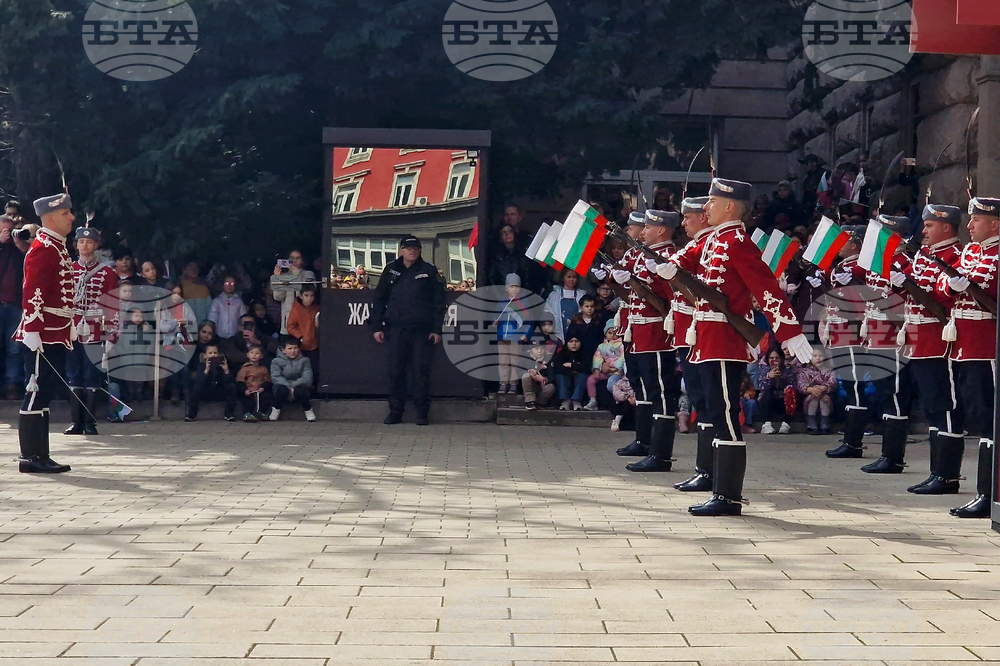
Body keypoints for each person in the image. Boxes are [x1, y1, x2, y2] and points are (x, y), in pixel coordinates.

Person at [653, 178, 811, 516]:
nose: (705, 207)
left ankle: (727, 496)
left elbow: (766, 286)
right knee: (713, 408)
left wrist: (789, 331)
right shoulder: (713, 239)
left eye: (710, 202)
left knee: (726, 414)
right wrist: (671, 265)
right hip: (705, 338)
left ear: (728, 206)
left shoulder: (738, 242)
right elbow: (687, 254)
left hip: (725, 340)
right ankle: (718, 487)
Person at [891, 206, 964, 496]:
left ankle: (947, 475)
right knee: (933, 408)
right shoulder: (924, 255)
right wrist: (899, 282)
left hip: (938, 340)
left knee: (946, 407)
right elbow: (910, 286)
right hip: (918, 340)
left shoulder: (954, 256)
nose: (924, 230)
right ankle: (937, 471)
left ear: (946, 228)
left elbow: (943, 296)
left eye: (930, 225)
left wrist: (909, 283)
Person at [936, 197, 999, 518]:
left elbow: (989, 294)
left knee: (989, 420)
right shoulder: (971, 252)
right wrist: (955, 284)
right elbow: (943, 289)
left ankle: (989, 494)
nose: (970, 225)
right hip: (962, 343)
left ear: (995, 224)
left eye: (976, 220)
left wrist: (967, 286)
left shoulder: (997, 254)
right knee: (976, 416)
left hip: (985, 346)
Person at [613, 209, 681, 473]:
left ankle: (660, 453)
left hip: (656, 332)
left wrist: (664, 276)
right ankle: (646, 442)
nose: (643, 232)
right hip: (639, 331)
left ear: (661, 230)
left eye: (648, 227)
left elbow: (673, 296)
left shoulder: (666, 256)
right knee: (644, 386)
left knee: (660, 392)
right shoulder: (647, 255)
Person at [13, 193, 77, 474]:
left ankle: (42, 453)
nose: (72, 218)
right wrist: (34, 330)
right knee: (35, 389)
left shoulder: (57, 246)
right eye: (66, 214)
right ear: (51, 218)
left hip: (55, 331)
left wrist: (69, 323)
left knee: (47, 390)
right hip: (42, 332)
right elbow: (33, 293)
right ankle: (30, 457)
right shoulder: (43, 248)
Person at [858, 214, 915, 475]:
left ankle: (893, 457)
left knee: (894, 394)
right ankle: (887, 454)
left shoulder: (904, 263)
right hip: (877, 334)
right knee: (884, 393)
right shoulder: (880, 262)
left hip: (893, 336)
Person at [371, 236, 446, 425]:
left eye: (415, 248)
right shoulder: (391, 269)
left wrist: (437, 329)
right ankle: (395, 412)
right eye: (408, 248)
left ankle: (422, 413)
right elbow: (379, 299)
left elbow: (439, 303)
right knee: (395, 371)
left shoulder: (429, 271)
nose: (412, 251)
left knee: (420, 371)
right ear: (401, 250)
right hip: (396, 329)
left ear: (420, 251)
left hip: (421, 330)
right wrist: (376, 326)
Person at [668, 197, 716, 491]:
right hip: (693, 332)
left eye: (688, 217)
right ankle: (705, 469)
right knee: (701, 400)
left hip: (705, 333)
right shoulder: (699, 245)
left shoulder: (713, 245)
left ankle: (710, 472)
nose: (683, 223)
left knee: (709, 402)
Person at [65, 225, 117, 436]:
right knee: (73, 374)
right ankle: (76, 422)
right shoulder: (68, 269)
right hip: (72, 328)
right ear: (76, 245)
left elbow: (113, 303)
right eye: (81, 242)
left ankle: (90, 422)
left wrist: (112, 333)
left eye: (89, 242)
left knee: (92, 375)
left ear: (96, 245)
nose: (84, 245)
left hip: (96, 328)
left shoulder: (106, 272)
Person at [0, 214, 29, 399]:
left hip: (17, 303)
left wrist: (20, 245)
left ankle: (12, 383)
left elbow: (32, 263)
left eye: (11, 230)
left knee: (14, 348)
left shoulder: (20, 249)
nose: (8, 234)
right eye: (4, 230)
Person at [494, 274, 533, 395]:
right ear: (507, 288)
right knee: (503, 361)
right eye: (511, 287)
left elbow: (529, 321)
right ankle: (503, 382)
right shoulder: (502, 303)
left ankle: (514, 384)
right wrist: (495, 321)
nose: (514, 289)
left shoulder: (523, 303)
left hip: (516, 337)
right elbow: (496, 316)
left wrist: (526, 334)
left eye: (517, 286)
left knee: (515, 361)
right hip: (502, 336)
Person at [185, 343, 237, 421]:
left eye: (215, 353)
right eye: (210, 353)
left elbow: (229, 382)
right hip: (206, 391)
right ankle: (191, 414)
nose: (213, 355)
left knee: (232, 387)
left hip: (219, 391)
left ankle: (229, 414)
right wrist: (206, 370)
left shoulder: (222, 366)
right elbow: (199, 382)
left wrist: (226, 370)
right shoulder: (201, 366)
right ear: (205, 355)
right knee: (195, 388)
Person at [269, 336, 315, 422]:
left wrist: (293, 386)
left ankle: (308, 410)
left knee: (301, 390)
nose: (293, 351)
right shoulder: (276, 361)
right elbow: (275, 377)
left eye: (295, 348)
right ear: (283, 350)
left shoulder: (305, 360)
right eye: (289, 348)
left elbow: (307, 378)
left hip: (298, 386)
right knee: (281, 389)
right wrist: (289, 386)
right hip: (283, 386)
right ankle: (276, 409)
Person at [270, 250, 316, 334]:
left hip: (304, 317)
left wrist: (297, 275)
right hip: (288, 318)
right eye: (292, 258)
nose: (294, 261)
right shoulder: (284, 275)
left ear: (303, 261)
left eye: (297, 258)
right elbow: (277, 297)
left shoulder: (308, 274)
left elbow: (308, 291)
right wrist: (278, 278)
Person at [796, 349, 837, 435]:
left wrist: (823, 388)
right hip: (810, 395)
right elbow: (801, 384)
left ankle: (825, 422)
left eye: (820, 356)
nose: (818, 358)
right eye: (815, 356)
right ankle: (811, 422)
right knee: (813, 399)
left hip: (826, 395)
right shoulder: (804, 371)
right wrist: (811, 390)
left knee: (824, 399)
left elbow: (832, 382)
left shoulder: (829, 371)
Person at [755, 348, 796, 435]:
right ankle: (766, 424)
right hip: (768, 400)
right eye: (771, 358)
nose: (774, 360)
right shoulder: (764, 369)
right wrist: (768, 377)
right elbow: (761, 387)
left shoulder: (787, 369)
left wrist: (782, 379)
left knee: (791, 394)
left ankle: (786, 424)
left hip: (782, 399)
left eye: (777, 358)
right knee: (767, 393)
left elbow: (793, 383)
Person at [286, 285, 320, 388]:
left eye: (311, 296)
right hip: (301, 346)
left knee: (315, 369)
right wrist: (300, 337)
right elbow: (290, 326)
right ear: (301, 296)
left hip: (314, 345)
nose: (309, 298)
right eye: (306, 295)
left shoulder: (317, 308)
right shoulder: (296, 309)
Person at [586, 319, 624, 411]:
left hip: (617, 372)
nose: (612, 335)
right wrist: (597, 369)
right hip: (605, 371)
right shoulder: (601, 346)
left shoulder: (621, 344)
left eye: (615, 333)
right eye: (609, 333)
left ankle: (619, 402)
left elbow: (623, 357)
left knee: (611, 384)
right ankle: (592, 400)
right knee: (591, 379)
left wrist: (615, 368)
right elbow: (597, 357)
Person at [544, 269, 587, 343]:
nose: (571, 279)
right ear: (563, 278)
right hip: (558, 332)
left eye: (574, 277)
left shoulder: (581, 294)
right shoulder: (554, 295)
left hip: (577, 332)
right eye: (569, 277)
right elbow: (547, 313)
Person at [565, 294, 604, 367]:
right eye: (587, 306)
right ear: (581, 307)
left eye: (592, 306)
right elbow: (570, 337)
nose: (589, 308)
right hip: (579, 353)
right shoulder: (576, 320)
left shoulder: (598, 320)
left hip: (596, 351)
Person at [236, 344, 272, 422]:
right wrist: (245, 390)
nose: (254, 355)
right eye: (252, 353)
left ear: (261, 356)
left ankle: (261, 412)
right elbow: (240, 380)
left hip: (259, 390)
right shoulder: (245, 368)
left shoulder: (263, 368)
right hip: (249, 390)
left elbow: (267, 380)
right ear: (247, 355)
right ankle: (247, 414)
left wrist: (263, 387)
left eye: (257, 353)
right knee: (248, 401)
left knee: (266, 397)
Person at [553, 335, 587, 410]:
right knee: (560, 376)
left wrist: (572, 365)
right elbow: (557, 367)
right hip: (566, 378)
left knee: (582, 376)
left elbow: (586, 367)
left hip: (578, 378)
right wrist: (573, 369)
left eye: (576, 341)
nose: (574, 344)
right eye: (571, 341)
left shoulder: (584, 353)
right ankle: (565, 401)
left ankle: (576, 400)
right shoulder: (562, 354)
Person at [208, 275, 248, 340]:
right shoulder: (217, 301)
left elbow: (243, 317)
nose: (230, 286)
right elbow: (212, 319)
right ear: (223, 285)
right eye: (227, 283)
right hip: (219, 335)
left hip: (235, 335)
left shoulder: (239, 302)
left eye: (232, 284)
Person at [521, 341, 555, 410]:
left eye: (541, 349)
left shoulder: (549, 359)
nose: (539, 351)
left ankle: (540, 403)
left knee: (551, 387)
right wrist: (530, 372)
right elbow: (518, 372)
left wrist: (544, 378)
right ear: (531, 350)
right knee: (526, 376)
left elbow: (552, 375)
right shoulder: (524, 358)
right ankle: (530, 401)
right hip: (529, 386)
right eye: (536, 349)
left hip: (542, 386)